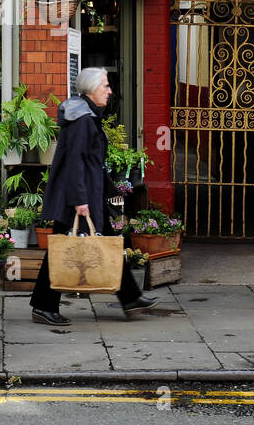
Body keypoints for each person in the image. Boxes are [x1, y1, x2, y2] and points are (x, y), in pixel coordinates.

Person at [29, 67, 158, 325]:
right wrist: (80, 201)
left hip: (87, 192)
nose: (110, 91)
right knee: (63, 247)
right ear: (90, 89)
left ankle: (131, 298)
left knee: (107, 239)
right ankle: (44, 306)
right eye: (105, 86)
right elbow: (75, 162)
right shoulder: (83, 120)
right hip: (78, 197)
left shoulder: (86, 114)